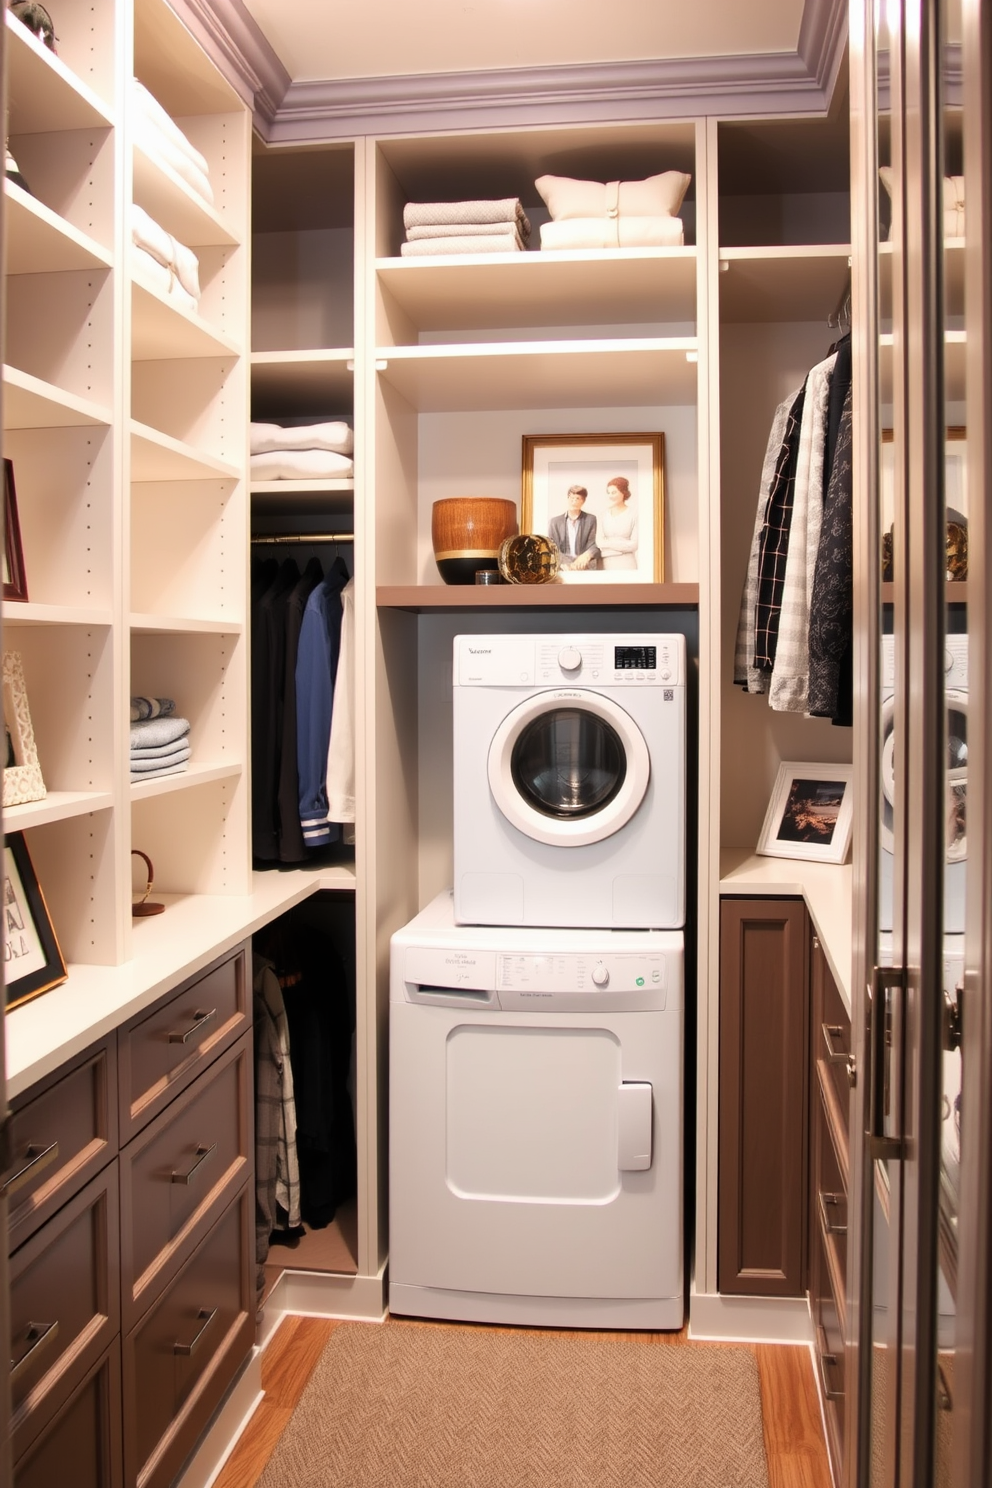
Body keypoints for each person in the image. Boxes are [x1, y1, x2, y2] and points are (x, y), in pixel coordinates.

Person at [547, 485, 601, 570]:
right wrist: (568, 564)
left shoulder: (591, 519)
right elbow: (552, 547)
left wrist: (586, 556)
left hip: (584, 566)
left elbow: (594, 544)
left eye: (577, 498)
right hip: (562, 567)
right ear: (567, 498)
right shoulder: (554, 522)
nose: (574, 501)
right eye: (571, 498)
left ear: (583, 501)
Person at [599, 476, 638, 570]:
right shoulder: (603, 515)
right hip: (606, 563)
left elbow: (634, 545)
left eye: (614, 492)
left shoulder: (634, 514)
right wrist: (622, 544)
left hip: (627, 563)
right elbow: (599, 542)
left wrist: (608, 543)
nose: (610, 496)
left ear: (623, 492)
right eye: (608, 493)